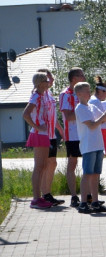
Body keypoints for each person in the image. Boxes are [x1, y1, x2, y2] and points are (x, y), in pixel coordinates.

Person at [73, 82, 106, 214]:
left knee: (96, 174)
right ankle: (83, 203)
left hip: (97, 145)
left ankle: (95, 202)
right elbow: (91, 125)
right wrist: (104, 116)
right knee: (87, 174)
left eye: (89, 90)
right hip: (88, 146)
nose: (88, 93)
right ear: (79, 94)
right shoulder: (80, 108)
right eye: (86, 91)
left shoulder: (91, 106)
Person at [23, 71, 59, 209]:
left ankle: (40, 197)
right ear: (39, 83)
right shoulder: (36, 96)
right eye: (45, 80)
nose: (48, 82)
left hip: (44, 134)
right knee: (39, 167)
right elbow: (26, 114)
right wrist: (37, 126)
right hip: (38, 133)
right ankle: (36, 199)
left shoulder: (43, 95)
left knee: (43, 166)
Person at [59, 67, 86, 206]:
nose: (84, 77)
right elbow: (68, 116)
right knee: (72, 164)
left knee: (88, 164)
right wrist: (82, 110)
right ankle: (74, 196)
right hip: (73, 135)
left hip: (86, 133)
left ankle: (87, 195)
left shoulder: (83, 91)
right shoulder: (66, 94)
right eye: (82, 75)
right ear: (74, 78)